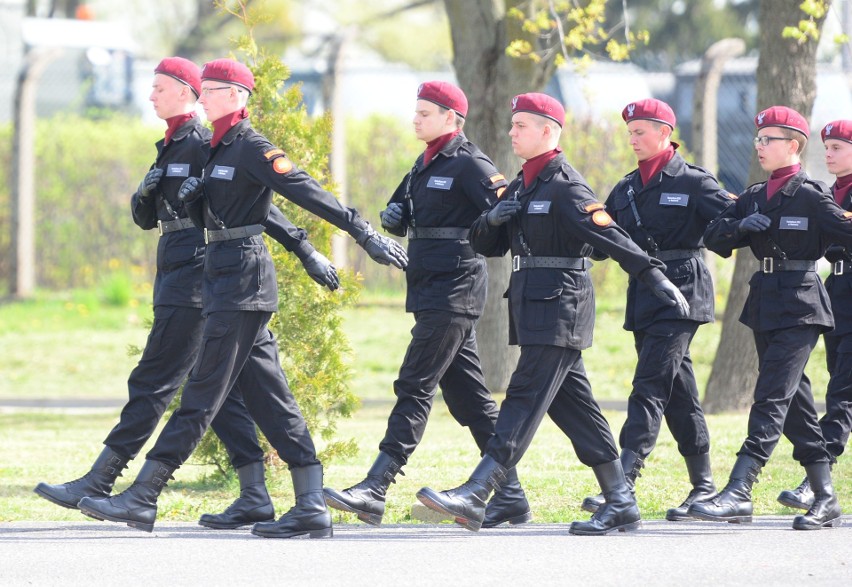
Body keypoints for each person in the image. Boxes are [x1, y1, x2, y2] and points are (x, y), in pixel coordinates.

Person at [77, 58, 407, 538]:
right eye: (202, 89)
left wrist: (362, 234)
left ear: (236, 96)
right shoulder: (214, 147)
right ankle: (311, 503)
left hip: (244, 282)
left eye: (211, 90)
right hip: (222, 280)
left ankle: (144, 493)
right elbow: (216, 214)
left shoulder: (251, 147)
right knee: (271, 398)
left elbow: (305, 192)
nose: (202, 97)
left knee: (202, 393)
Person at [34, 57, 339, 531]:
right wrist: (141, 195)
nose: (150, 96)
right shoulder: (175, 142)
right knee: (230, 391)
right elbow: (156, 214)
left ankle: (103, 480)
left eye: (159, 87)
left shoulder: (202, 140)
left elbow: (255, 205)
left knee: (161, 379)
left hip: (204, 278)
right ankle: (258, 494)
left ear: (185, 90)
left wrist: (303, 248)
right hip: (185, 271)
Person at [415, 93, 690, 536]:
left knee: (522, 396)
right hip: (533, 307)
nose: (511, 132)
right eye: (512, 124)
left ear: (547, 131)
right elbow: (487, 247)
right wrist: (492, 219)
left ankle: (479, 490)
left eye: (521, 125)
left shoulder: (564, 184)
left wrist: (655, 279)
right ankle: (620, 501)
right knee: (575, 409)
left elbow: (612, 237)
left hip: (562, 307)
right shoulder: (524, 184)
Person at [322, 82, 530, 528]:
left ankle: (374, 488)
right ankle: (509, 495)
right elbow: (399, 209)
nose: (415, 120)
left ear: (452, 117)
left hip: (456, 288)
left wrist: (489, 221)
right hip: (428, 286)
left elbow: (503, 216)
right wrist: (392, 218)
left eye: (424, 113)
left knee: (414, 384)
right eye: (415, 112)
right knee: (470, 399)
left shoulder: (471, 163)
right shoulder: (425, 162)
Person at [693, 106, 852, 530]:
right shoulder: (753, 194)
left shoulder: (812, 196)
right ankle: (824, 495)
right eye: (759, 139)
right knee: (796, 404)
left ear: (793, 146)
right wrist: (741, 226)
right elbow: (711, 236)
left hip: (802, 304)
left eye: (769, 139)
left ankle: (739, 488)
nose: (759, 146)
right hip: (765, 302)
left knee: (770, 395)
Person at [580, 99, 735, 521]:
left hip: (683, 289)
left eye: (641, 132)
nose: (633, 140)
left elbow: (733, 220)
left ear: (666, 132)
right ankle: (704, 487)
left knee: (648, 384)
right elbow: (603, 240)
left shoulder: (695, 182)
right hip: (644, 294)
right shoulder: (626, 186)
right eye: (630, 133)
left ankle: (623, 483)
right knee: (678, 393)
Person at [776, 119, 852, 512]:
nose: (829, 154)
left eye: (838, 147)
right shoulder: (826, 192)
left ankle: (816, 478)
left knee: (843, 394)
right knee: (816, 386)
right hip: (834, 294)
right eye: (827, 147)